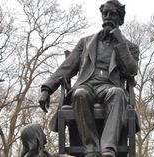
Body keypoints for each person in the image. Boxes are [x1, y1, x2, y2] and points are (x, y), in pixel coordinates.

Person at [39, 0, 139, 156]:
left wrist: (120, 42)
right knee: (79, 94)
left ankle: (108, 149)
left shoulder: (129, 46)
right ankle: (90, 148)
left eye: (112, 14)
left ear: (120, 18)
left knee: (118, 93)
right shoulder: (85, 42)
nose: (107, 17)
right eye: (105, 13)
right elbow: (66, 67)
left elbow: (131, 70)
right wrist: (47, 89)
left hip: (110, 87)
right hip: (87, 85)